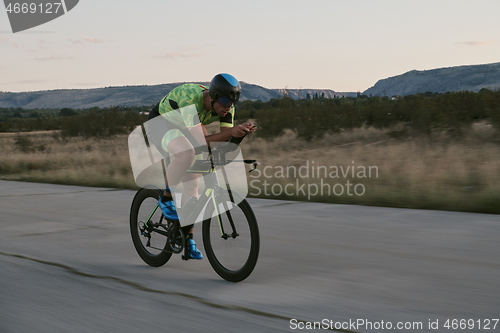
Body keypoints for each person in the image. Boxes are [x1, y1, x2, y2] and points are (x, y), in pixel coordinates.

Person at [147, 73, 256, 259]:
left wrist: (240, 134)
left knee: (193, 182)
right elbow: (201, 142)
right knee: (187, 153)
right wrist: (230, 131)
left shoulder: (226, 108)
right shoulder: (191, 99)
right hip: (162, 122)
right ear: (212, 96)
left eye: (231, 103)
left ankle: (187, 239)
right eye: (223, 101)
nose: (227, 107)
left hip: (188, 125)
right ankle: (166, 198)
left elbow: (224, 141)